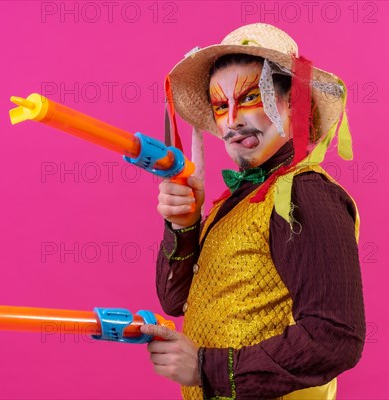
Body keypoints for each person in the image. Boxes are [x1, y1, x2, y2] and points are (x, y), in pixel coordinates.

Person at [139, 23, 366, 399]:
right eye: (220, 106)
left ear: (295, 102)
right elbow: (175, 301)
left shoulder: (304, 194)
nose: (232, 121)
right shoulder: (237, 200)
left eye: (249, 98)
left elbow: (335, 337)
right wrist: (185, 225)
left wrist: (204, 368)